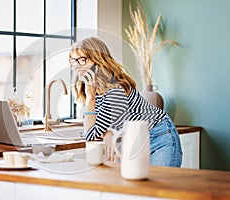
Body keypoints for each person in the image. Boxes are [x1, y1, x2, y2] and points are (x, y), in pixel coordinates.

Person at [69, 37, 182, 167]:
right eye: (73, 60)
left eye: (82, 60)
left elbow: (91, 134)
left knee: (161, 185)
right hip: (134, 139)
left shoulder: (115, 90)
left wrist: (90, 100)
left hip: (158, 136)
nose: (76, 66)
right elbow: (92, 130)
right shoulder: (93, 89)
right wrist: (106, 132)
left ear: (98, 60)